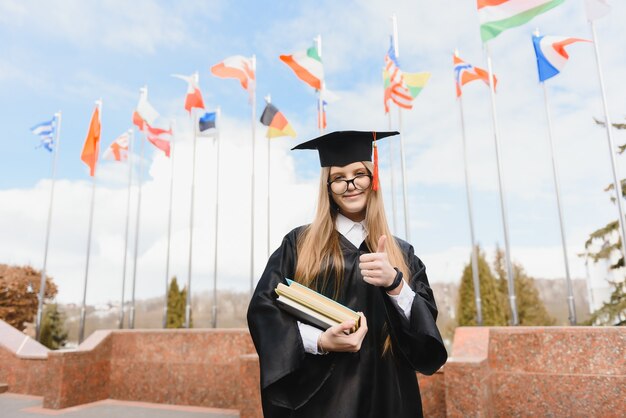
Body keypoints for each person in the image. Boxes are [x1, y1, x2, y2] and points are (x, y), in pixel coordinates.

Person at [247, 130, 447, 418]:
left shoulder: (401, 253)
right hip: (324, 399)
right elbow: (262, 311)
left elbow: (425, 329)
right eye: (339, 178)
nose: (350, 185)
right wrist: (320, 341)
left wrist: (395, 284)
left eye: (359, 174)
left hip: (388, 394)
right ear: (328, 188)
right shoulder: (299, 244)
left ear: (372, 179)